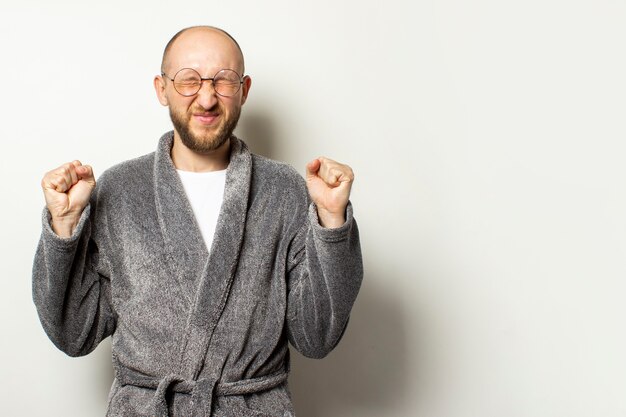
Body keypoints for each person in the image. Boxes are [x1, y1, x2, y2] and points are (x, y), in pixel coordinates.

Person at [32, 25, 363, 416]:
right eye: (188, 80)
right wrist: (65, 226)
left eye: (223, 81)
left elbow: (317, 335)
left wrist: (332, 221)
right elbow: (74, 332)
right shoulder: (119, 190)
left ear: (244, 89)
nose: (206, 98)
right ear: (161, 88)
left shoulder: (282, 189)